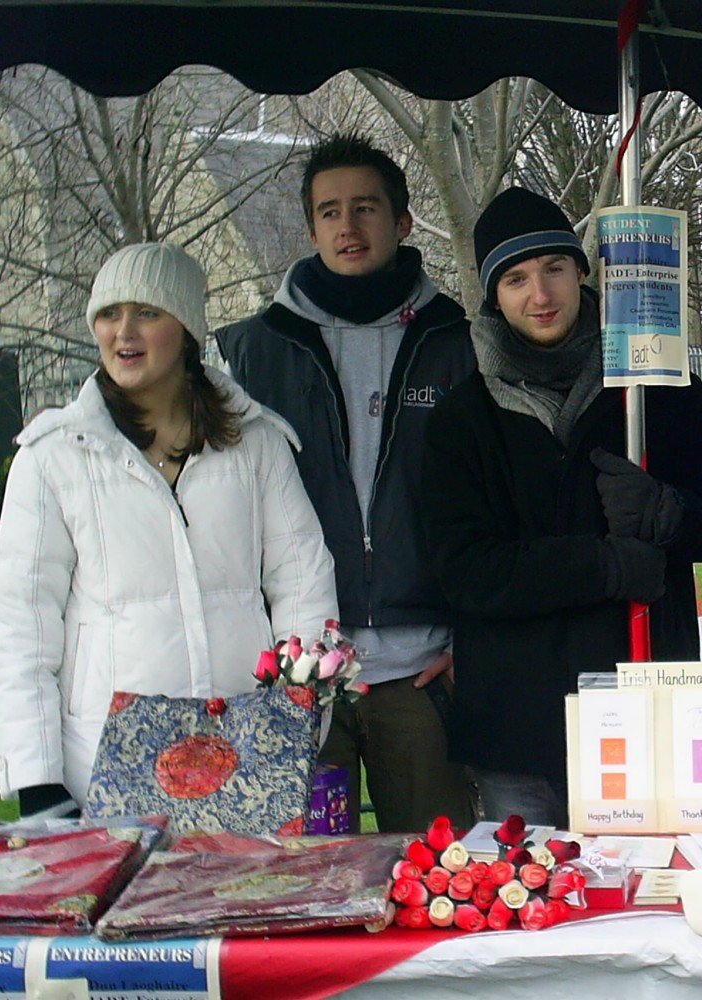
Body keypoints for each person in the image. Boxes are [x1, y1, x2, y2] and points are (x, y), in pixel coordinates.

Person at [419, 187, 702, 827]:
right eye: (516, 278)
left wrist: (667, 511)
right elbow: (468, 571)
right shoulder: (462, 417)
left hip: (642, 702)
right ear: (492, 295)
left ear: (582, 272)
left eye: (555, 268)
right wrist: (602, 567)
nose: (541, 294)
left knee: (645, 905)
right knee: (534, 906)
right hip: (518, 720)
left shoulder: (660, 389)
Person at [0, 242, 337, 815]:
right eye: (108, 314)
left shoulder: (257, 443)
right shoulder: (53, 456)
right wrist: (36, 778)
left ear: (187, 328)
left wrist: (296, 718)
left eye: (147, 313)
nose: (122, 331)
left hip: (244, 758)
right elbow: (20, 622)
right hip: (104, 766)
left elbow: (303, 582)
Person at [216, 133, 476, 833]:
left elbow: (494, 504)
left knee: (439, 891)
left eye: (365, 208)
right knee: (303, 895)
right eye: (329, 211)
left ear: (402, 222)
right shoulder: (251, 349)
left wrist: (472, 640)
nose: (347, 226)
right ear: (310, 228)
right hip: (295, 673)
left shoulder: (458, 340)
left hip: (420, 671)